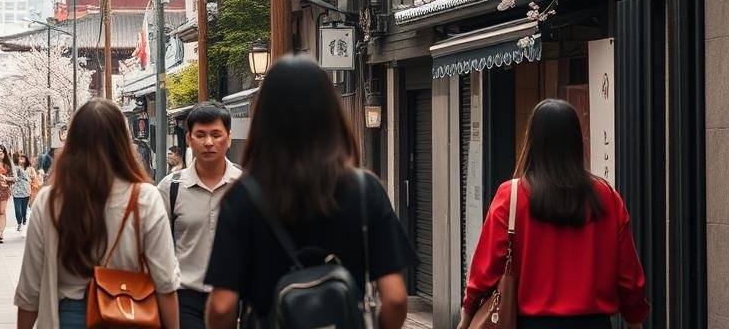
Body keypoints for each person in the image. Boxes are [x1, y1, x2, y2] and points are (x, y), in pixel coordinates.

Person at [204, 56, 413, 329]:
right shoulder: (364, 190)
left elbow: (222, 307)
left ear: (264, 117)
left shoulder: (243, 197)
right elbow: (396, 297)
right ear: (331, 113)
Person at [459, 99, 649, 329]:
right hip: (593, 323)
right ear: (577, 141)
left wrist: (468, 314)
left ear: (532, 141)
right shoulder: (607, 197)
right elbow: (628, 275)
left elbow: (485, 269)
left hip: (528, 323)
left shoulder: (512, 196)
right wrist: (634, 319)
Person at [16, 100, 181, 329]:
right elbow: (165, 281)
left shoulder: (50, 200)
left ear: (72, 142)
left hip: (68, 316)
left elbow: (30, 286)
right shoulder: (144, 197)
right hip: (128, 312)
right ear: (123, 141)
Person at [158, 102, 240, 329]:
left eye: (216, 134)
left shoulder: (244, 185)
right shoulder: (170, 188)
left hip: (235, 299)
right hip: (185, 298)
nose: (209, 143)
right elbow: (157, 249)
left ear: (229, 138)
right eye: (201, 135)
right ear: (189, 139)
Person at [12, 152, 36, 231]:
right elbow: (14, 173)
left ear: (26, 160)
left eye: (23, 158)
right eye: (20, 158)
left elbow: (34, 176)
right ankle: (19, 223)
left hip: (26, 192)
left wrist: (32, 176)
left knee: (24, 209)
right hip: (16, 192)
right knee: (17, 210)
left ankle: (24, 218)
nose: (21, 159)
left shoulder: (30, 168)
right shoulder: (16, 168)